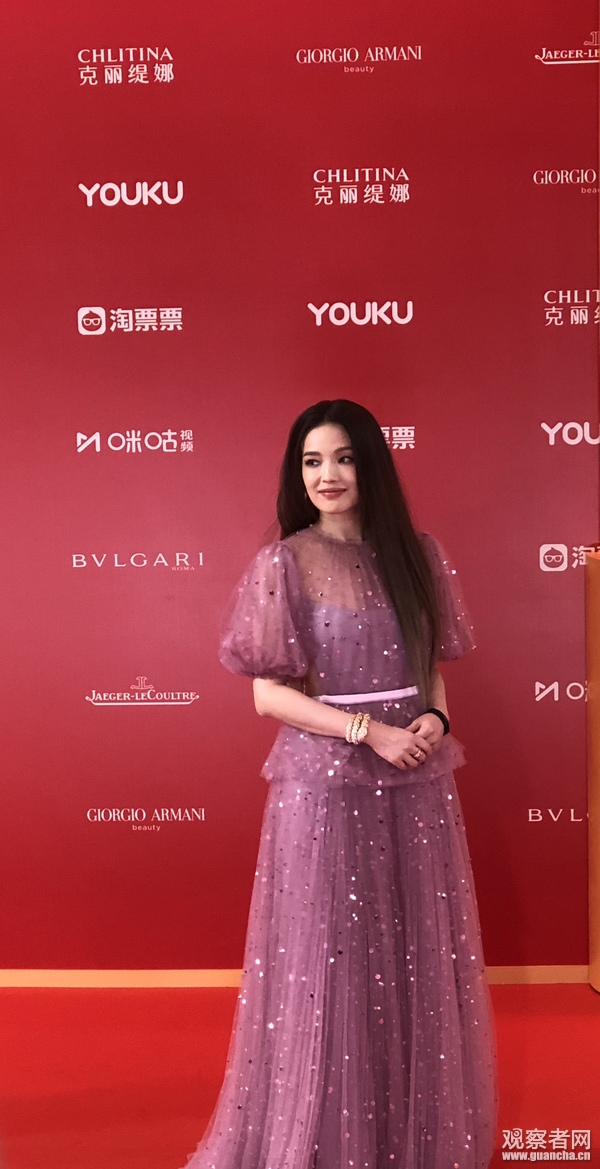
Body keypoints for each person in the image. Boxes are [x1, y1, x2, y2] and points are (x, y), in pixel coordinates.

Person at [183, 399, 498, 1169]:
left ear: (373, 465)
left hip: (416, 784)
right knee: (331, 964)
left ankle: (406, 1142)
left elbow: (428, 669)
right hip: (322, 787)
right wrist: (368, 731)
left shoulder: (418, 555)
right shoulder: (283, 564)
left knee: (415, 959)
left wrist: (433, 719)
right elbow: (268, 696)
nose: (328, 475)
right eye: (312, 461)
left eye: (345, 458)